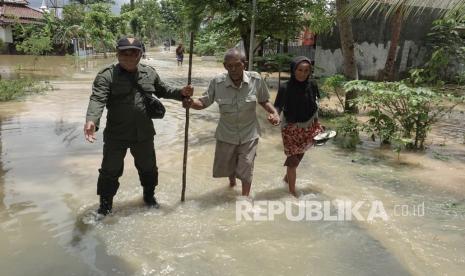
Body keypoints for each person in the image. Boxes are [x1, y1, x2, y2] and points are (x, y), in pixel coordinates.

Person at [84, 36, 193, 215]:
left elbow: (164, 90)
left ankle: (149, 198)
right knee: (109, 171)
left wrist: (181, 93)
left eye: (133, 52)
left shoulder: (149, 73)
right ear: (117, 54)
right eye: (124, 52)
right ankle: (105, 207)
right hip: (116, 134)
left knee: (149, 168)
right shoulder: (107, 75)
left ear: (140, 54)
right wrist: (91, 121)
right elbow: (97, 98)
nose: (129, 56)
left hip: (143, 133)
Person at [185, 48, 280, 196]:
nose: (233, 69)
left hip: (249, 134)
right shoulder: (217, 83)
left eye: (237, 65)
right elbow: (203, 103)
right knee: (229, 166)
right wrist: (190, 102)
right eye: (229, 66)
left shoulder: (256, 80)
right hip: (226, 134)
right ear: (224, 66)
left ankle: (244, 200)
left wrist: (274, 113)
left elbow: (263, 100)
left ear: (245, 64)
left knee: (247, 166)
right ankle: (232, 184)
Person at [274, 56, 324, 197]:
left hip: (309, 126)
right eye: (300, 70)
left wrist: (318, 123)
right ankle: (291, 192)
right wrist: (275, 115)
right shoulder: (285, 87)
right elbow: (278, 106)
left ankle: (286, 180)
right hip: (290, 128)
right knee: (292, 161)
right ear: (293, 70)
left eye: (306, 70)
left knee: (299, 157)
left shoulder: (312, 85)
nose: (303, 73)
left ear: (309, 72)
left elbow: (315, 104)